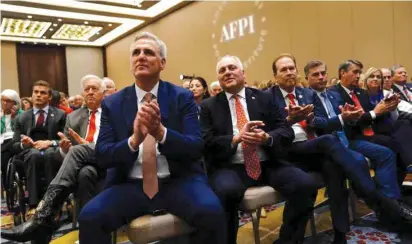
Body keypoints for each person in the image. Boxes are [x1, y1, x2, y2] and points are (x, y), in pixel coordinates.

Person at [77, 32, 226, 244]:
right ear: (131, 63)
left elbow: (195, 146)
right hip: (130, 184)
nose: (141, 56)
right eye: (136, 53)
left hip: (178, 181)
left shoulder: (182, 97)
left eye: (148, 52)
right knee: (89, 217)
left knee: (212, 211)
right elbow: (103, 155)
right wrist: (134, 140)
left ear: (162, 63)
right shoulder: (113, 103)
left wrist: (161, 134)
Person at [201, 55, 319, 244]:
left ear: (243, 74)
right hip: (231, 166)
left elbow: (285, 130)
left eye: (232, 67)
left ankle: (287, 241)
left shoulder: (264, 98)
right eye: (222, 70)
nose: (228, 72)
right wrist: (235, 139)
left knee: (304, 185)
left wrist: (267, 137)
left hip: (267, 162)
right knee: (225, 193)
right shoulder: (209, 106)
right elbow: (206, 142)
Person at [1, 75, 106, 243]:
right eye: (87, 89)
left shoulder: (111, 112)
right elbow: (67, 146)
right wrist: (64, 148)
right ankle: (86, 232)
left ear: (104, 93)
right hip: (78, 162)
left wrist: (58, 144)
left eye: (95, 89)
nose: (90, 92)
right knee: (84, 174)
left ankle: (42, 215)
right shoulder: (74, 117)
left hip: (104, 155)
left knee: (55, 154)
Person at [10, 81, 66, 213]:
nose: (38, 95)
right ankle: (34, 205)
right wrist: (25, 144)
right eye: (36, 92)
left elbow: (65, 139)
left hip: (52, 150)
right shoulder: (21, 118)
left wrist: (50, 142)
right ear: (31, 95)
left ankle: (52, 204)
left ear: (50, 97)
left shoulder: (60, 115)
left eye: (43, 93)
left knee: (49, 155)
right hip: (30, 152)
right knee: (34, 155)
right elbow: (14, 145)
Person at [1, 89, 24, 188]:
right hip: (2, 141)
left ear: (14, 103)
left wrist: (14, 117)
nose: (4, 103)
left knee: (5, 152)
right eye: (2, 100)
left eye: (8, 101)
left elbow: (21, 130)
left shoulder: (22, 114)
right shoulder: (0, 115)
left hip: (15, 140)